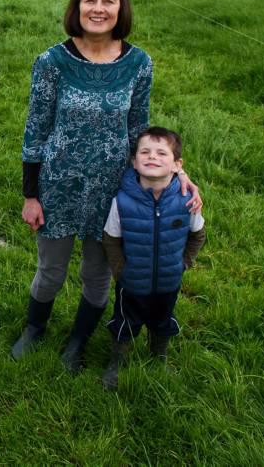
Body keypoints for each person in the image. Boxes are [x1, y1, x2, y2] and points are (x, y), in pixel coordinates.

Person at [11, 0, 201, 373]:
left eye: (108, 1)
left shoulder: (139, 64)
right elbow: (35, 129)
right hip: (57, 185)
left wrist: (176, 174)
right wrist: (31, 193)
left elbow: (139, 130)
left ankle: (78, 340)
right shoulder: (51, 61)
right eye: (90, 0)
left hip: (113, 189)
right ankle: (34, 327)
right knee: (51, 269)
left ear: (121, 8)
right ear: (78, 5)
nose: (98, 9)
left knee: (97, 273)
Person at [100, 127, 206, 390]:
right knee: (125, 322)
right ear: (134, 162)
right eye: (145, 152)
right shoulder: (123, 201)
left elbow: (198, 234)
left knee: (163, 320)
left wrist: (184, 263)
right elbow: (111, 238)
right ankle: (117, 363)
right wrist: (120, 271)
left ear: (177, 165)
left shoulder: (186, 200)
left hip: (169, 280)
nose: (152, 157)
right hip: (132, 281)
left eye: (161, 153)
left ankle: (159, 357)